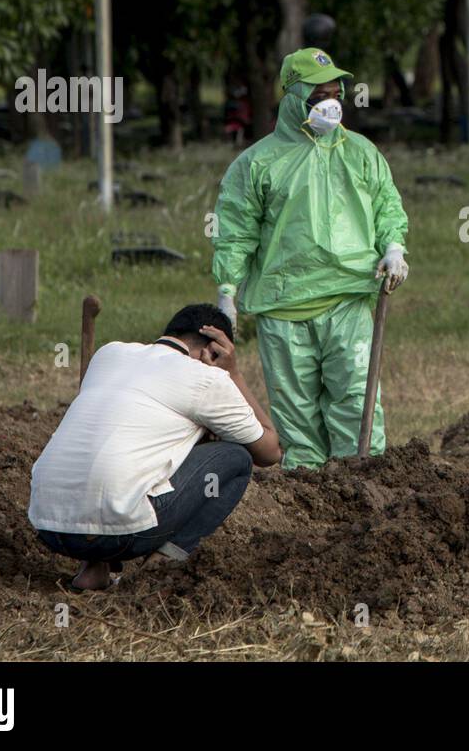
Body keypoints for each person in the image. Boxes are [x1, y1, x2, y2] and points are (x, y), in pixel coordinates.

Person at [212, 46, 409, 470]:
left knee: (356, 399)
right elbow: (235, 231)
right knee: (295, 413)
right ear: (293, 97)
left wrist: (394, 248)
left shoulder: (361, 153)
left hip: (349, 297)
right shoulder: (257, 164)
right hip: (284, 307)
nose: (330, 102)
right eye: (318, 94)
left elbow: (387, 207)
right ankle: (310, 502)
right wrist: (227, 293)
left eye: (336, 92)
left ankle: (363, 486)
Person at [28, 304, 281, 591]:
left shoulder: (108, 354)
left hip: (47, 524)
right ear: (214, 350)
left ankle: (92, 569)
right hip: (117, 535)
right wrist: (233, 374)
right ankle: (157, 571)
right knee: (235, 458)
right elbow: (270, 451)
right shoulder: (207, 379)